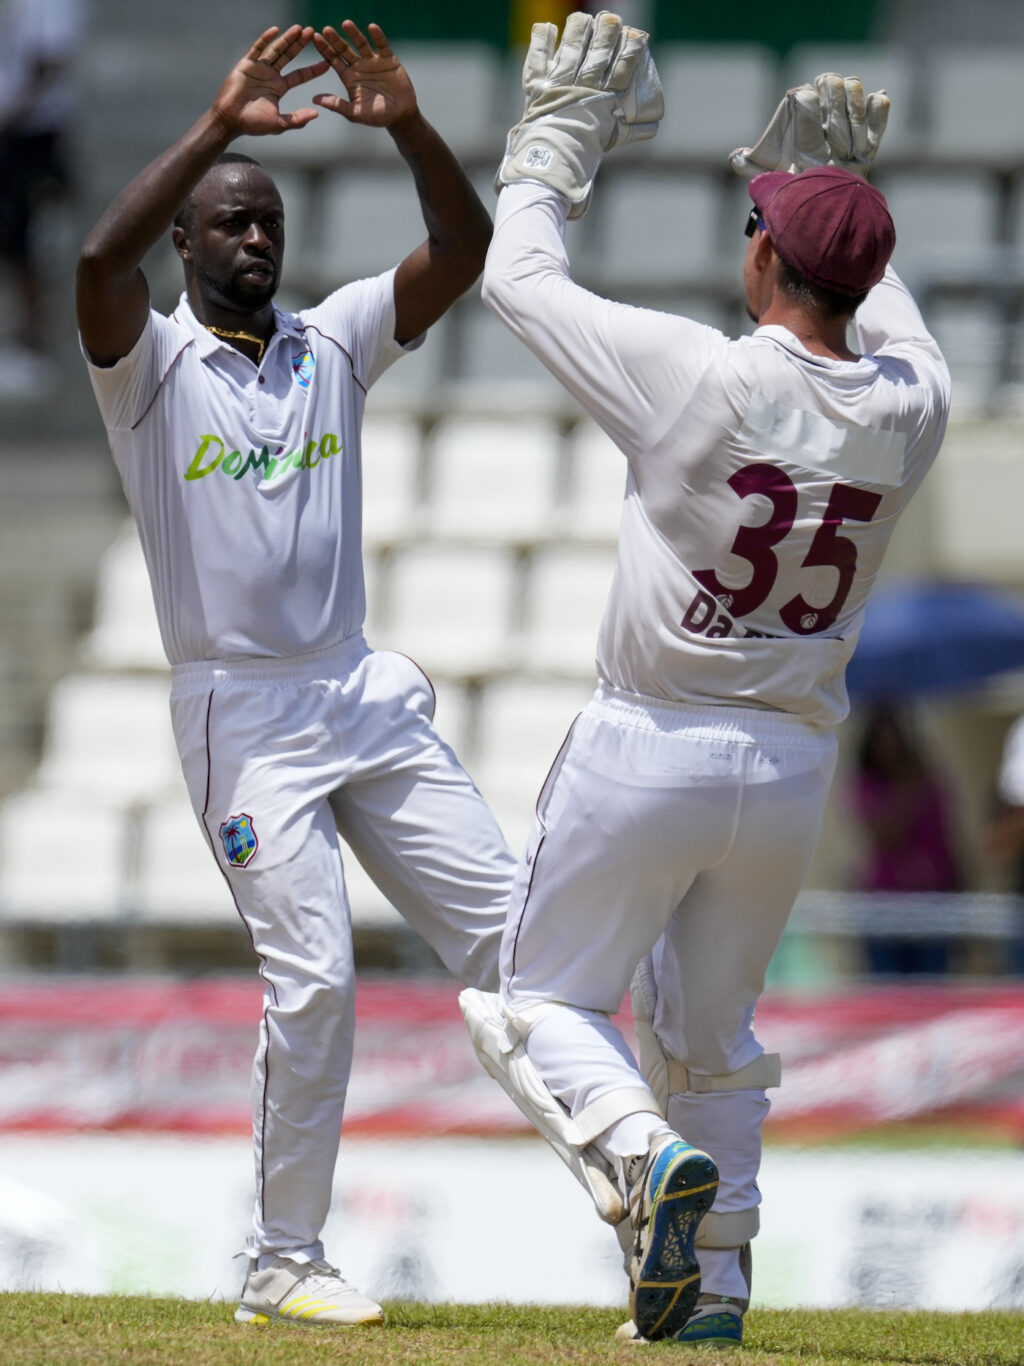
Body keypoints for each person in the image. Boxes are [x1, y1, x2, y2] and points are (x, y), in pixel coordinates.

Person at [459, 12, 950, 1349]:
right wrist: (850, 201)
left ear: (764, 258)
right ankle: (715, 1294)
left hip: (650, 739)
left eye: (765, 222)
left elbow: (519, 283)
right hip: (789, 767)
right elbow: (884, 305)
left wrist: (554, 145)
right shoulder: (914, 409)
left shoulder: (702, 375)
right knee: (718, 1041)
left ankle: (636, 1151)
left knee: (538, 1003)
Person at [76, 20, 515, 1328]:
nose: (256, 238)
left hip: (358, 692)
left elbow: (466, 254)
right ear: (189, 248)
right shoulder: (149, 370)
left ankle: (640, 1183)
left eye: (268, 220)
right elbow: (94, 259)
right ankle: (283, 1254)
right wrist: (216, 127)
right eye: (230, 223)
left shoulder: (331, 344)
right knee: (317, 975)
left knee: (517, 931)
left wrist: (410, 129)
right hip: (245, 715)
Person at [0, 0, 87, 395]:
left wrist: (10, 109)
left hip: (32, 132)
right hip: (17, 127)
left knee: (26, 240)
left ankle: (33, 343)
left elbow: (49, 57)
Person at [849, 701, 963, 974]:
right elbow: (884, 835)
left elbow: (946, 835)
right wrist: (906, 789)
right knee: (889, 991)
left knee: (931, 988)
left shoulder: (930, 781)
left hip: (933, 896)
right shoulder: (866, 784)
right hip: (885, 901)